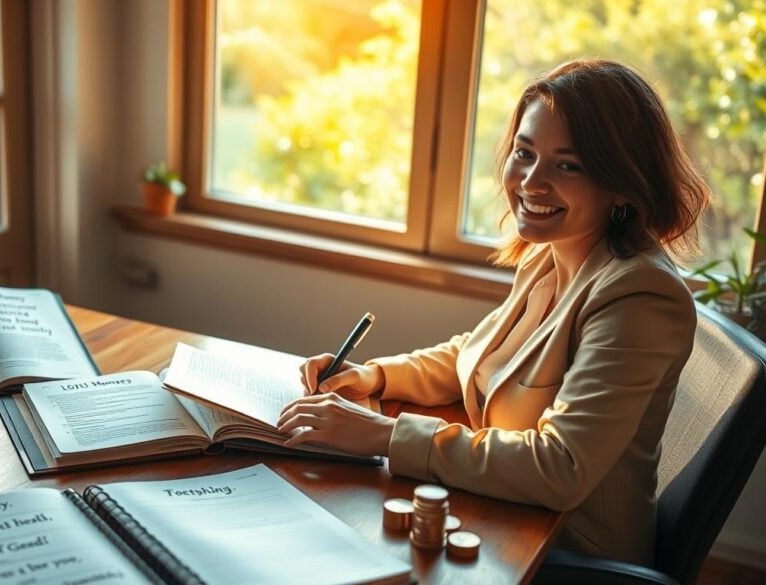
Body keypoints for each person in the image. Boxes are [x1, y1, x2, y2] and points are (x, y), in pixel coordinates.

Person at [277, 58, 710, 565]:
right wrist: (375, 377)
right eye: (524, 153)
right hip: (504, 512)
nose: (531, 182)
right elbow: (480, 354)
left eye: (567, 165)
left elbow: (561, 466)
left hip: (566, 550)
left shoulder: (640, 297)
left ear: (622, 181)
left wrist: (383, 434)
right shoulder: (558, 252)